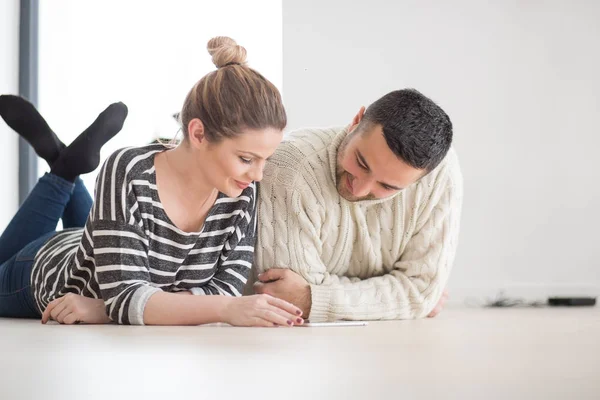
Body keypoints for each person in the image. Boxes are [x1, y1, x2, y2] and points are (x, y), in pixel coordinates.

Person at [0, 36, 304, 327]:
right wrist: (222, 309)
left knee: (99, 242)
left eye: (265, 159)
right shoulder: (129, 170)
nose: (258, 176)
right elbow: (128, 297)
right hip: (49, 268)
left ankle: (64, 165)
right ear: (199, 134)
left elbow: (224, 288)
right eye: (246, 159)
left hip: (104, 246)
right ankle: (64, 172)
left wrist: (113, 308)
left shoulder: (242, 193)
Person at [252, 89, 462, 322]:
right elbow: (284, 293)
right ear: (355, 122)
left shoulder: (440, 176)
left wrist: (313, 299)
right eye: (361, 162)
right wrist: (398, 302)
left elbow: (419, 291)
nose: (359, 189)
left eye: (388, 186)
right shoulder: (292, 166)